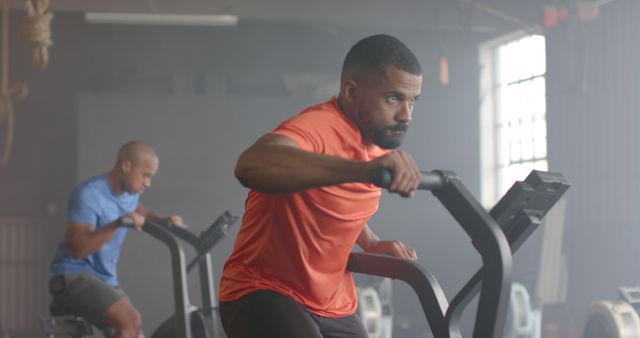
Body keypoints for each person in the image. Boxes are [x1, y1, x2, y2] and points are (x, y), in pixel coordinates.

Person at [219, 34, 423, 338]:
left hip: (333, 301)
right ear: (351, 91)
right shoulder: (317, 127)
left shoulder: (377, 136)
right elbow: (250, 165)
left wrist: (370, 242)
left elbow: (336, 198)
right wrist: (363, 170)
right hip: (265, 290)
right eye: (393, 98)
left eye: (412, 101)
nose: (406, 115)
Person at [48, 140, 183, 338]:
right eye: (145, 175)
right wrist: (117, 223)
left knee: (135, 332)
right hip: (71, 276)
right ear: (126, 165)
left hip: (105, 279)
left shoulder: (130, 192)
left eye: (151, 177)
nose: (148, 183)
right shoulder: (89, 194)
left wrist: (162, 220)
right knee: (130, 320)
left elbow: (136, 208)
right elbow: (77, 248)